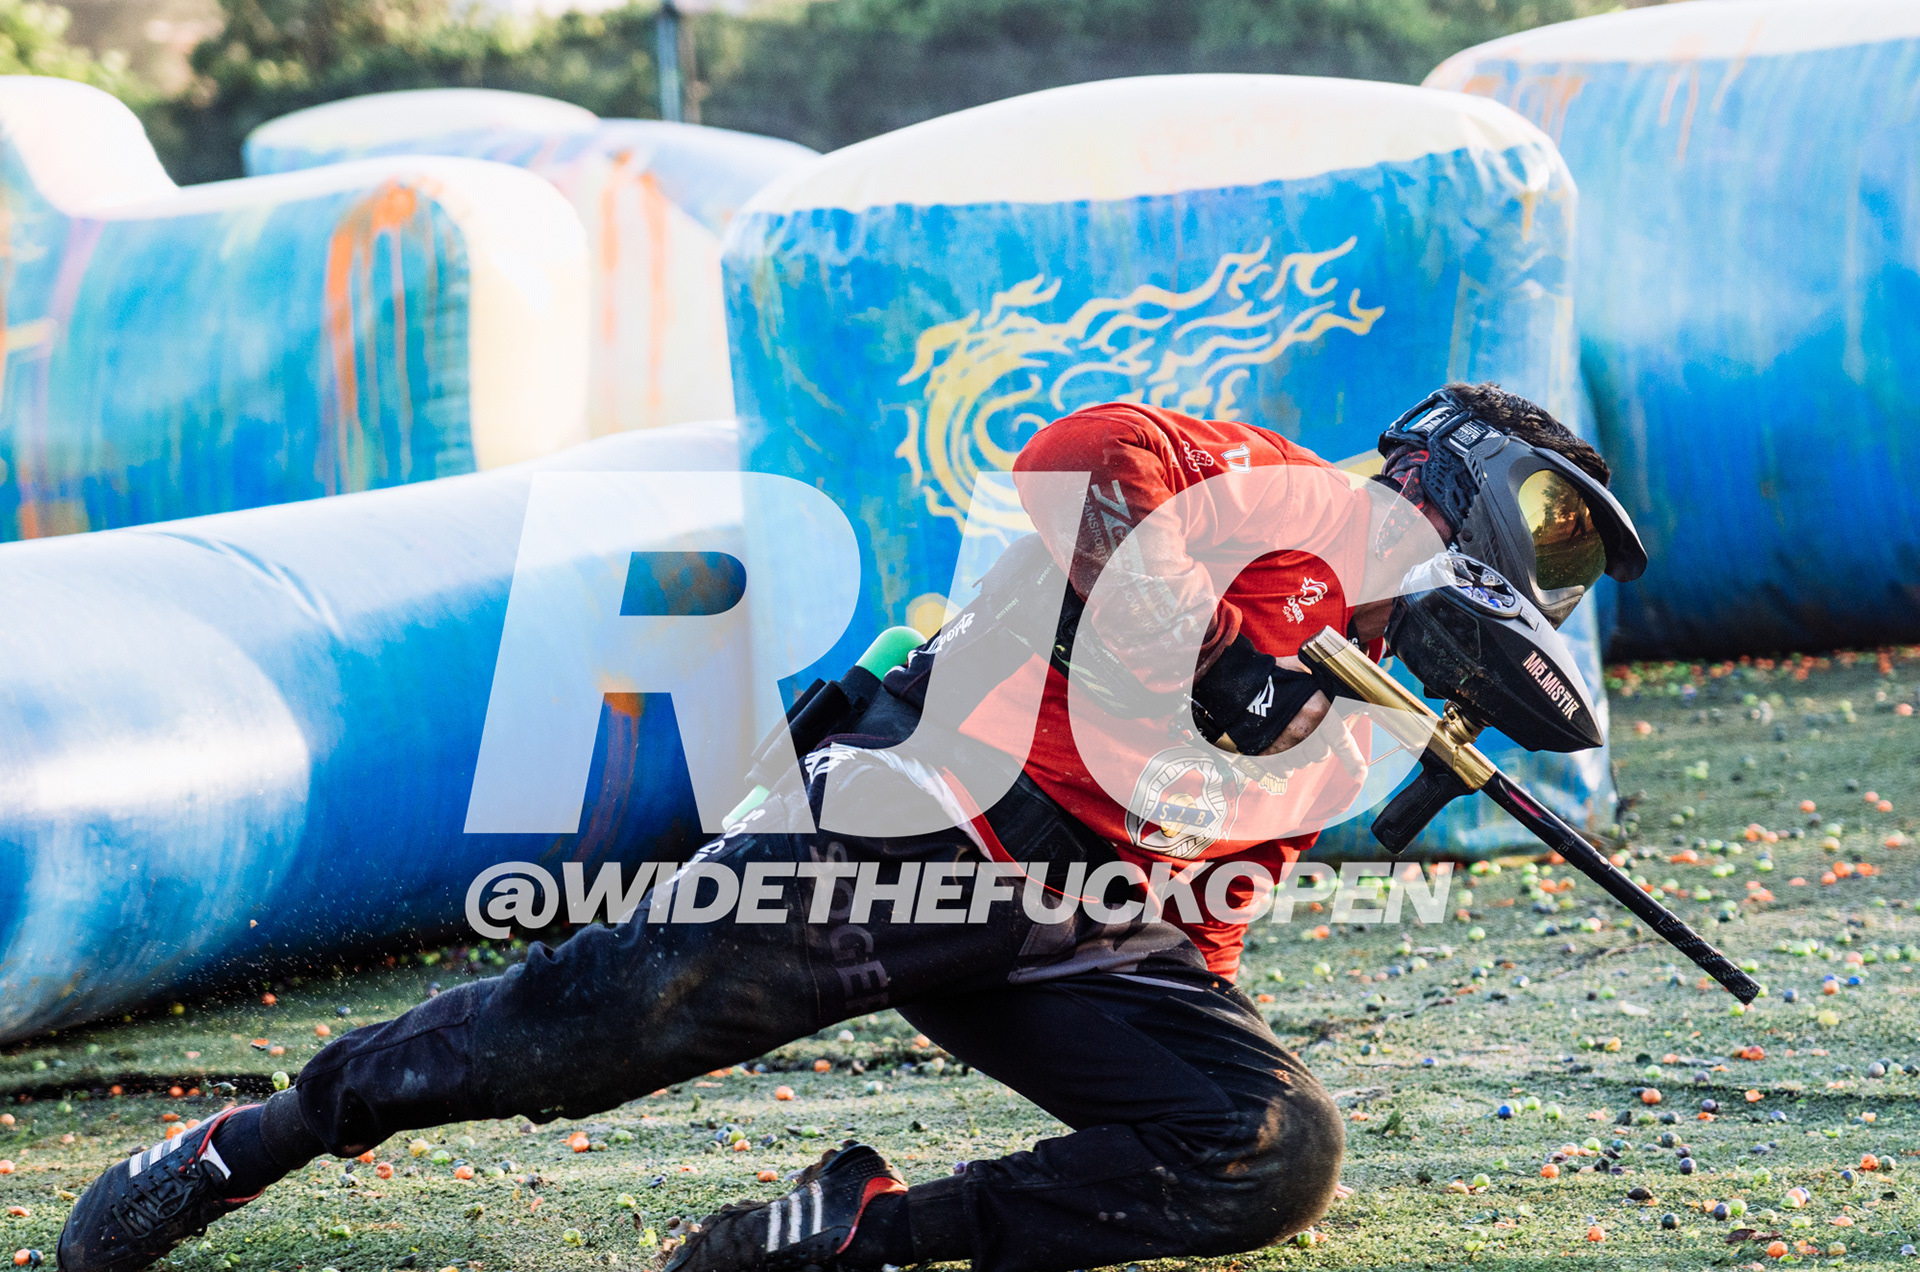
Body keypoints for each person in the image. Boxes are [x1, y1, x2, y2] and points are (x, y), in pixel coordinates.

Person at [59, 383, 1636, 1272]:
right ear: (1454, 473)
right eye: (1551, 525)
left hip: (1087, 940)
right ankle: (243, 1146)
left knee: (1271, 1148)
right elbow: (1082, 457)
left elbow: (1228, 874)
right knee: (574, 1033)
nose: (1549, 574)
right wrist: (1219, 622)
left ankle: (851, 1236)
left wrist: (1181, 997)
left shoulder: (1363, 686)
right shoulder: (1269, 496)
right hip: (914, 831)